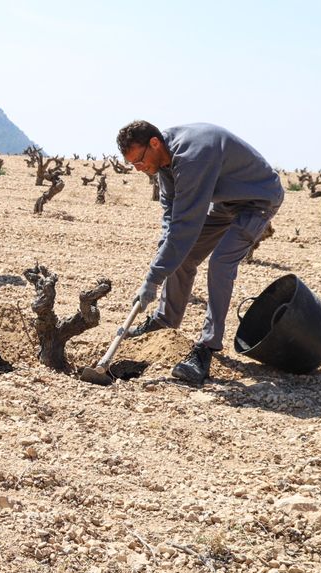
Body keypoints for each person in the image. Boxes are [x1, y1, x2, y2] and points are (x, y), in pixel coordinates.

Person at [117, 120, 283, 385]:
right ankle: (165, 320)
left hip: (257, 201)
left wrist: (153, 278)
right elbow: (170, 219)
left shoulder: (193, 157)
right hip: (228, 203)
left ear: (154, 143)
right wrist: (162, 258)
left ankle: (206, 348)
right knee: (180, 257)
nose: (138, 169)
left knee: (220, 263)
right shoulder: (164, 163)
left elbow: (186, 226)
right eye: (132, 164)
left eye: (138, 160)